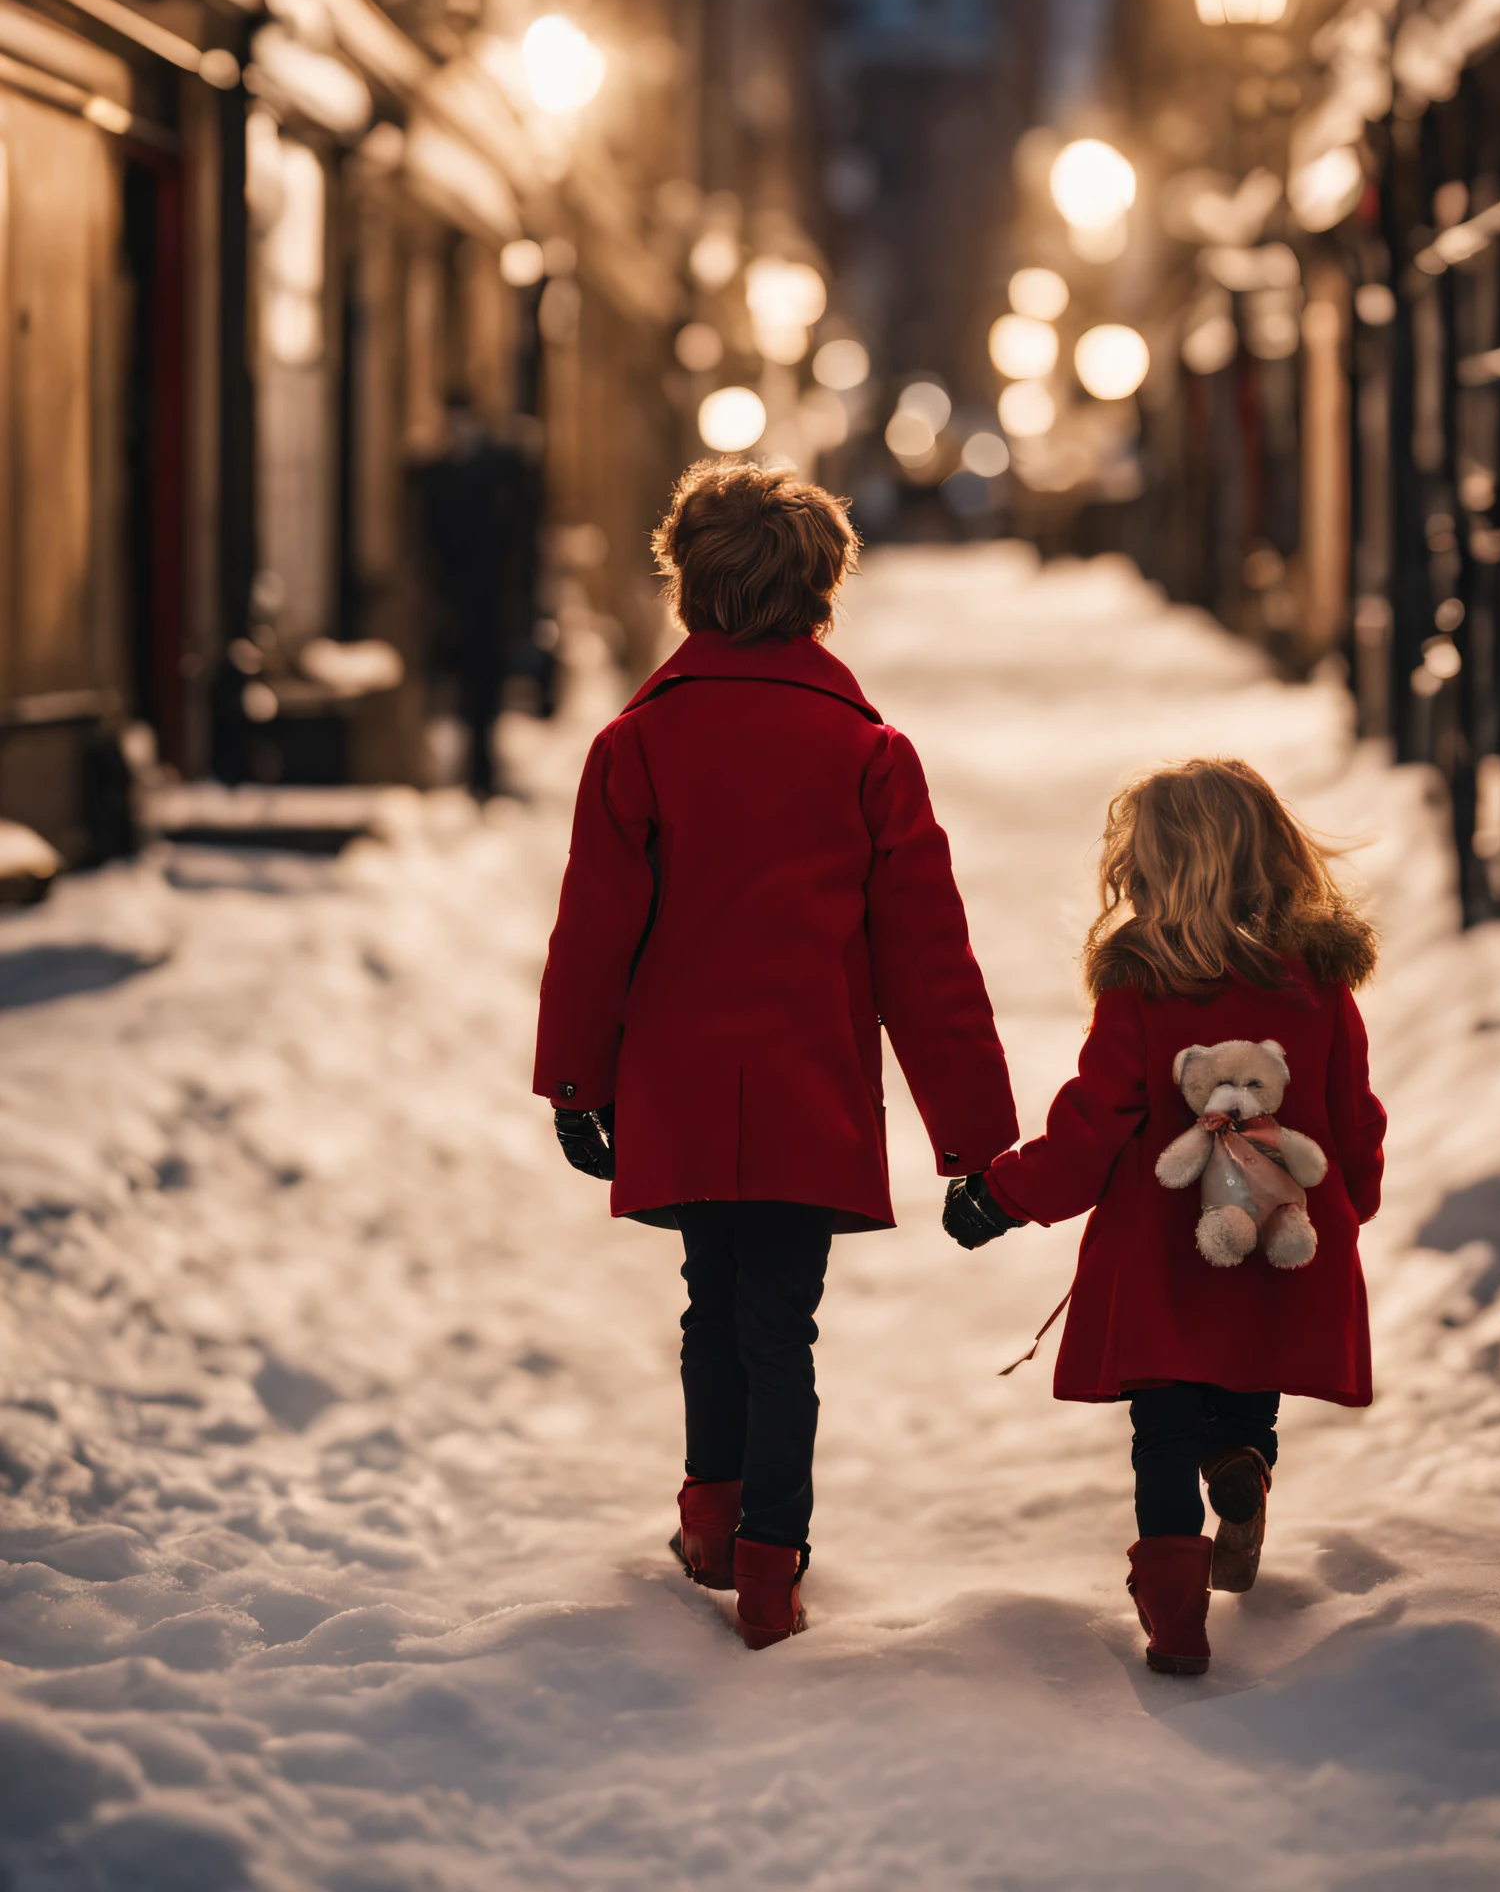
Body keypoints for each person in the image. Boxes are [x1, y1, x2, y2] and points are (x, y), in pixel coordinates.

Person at [534, 460, 1018, 1649]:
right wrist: (972, 1138)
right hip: (807, 1090)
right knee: (779, 1324)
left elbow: (595, 928)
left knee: (711, 1299)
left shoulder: (636, 744)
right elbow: (925, 957)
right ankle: (770, 1555)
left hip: (685, 1086)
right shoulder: (866, 752)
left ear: (686, 587)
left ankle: (708, 1510)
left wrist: (574, 1082)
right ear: (820, 594)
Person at [944, 759, 1385, 1678]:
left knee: (1162, 1430)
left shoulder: (1144, 983)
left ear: (1148, 868)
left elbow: (1093, 1122)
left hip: (1163, 1250)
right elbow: (1354, 1116)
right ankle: (1247, 1465)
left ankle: (1177, 1623)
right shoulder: (1317, 985)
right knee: (1247, 1378)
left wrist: (1003, 1195)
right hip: (1276, 1238)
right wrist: (1349, 1205)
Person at [414, 401, 541, 800]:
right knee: (475, 690)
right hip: (475, 603)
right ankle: (476, 771)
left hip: (480, 602)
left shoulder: (480, 477)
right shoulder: (480, 479)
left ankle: (477, 771)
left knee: (479, 689)